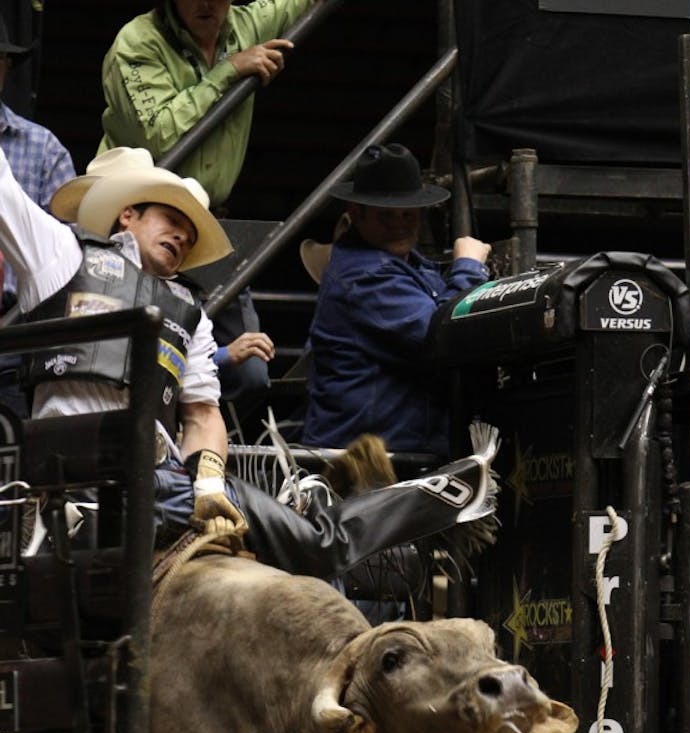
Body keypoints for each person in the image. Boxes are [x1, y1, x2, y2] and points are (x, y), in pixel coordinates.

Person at [0, 144, 499, 579]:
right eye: (171, 219)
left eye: (190, 234)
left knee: (317, 546)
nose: (181, 236)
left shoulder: (187, 313)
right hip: (76, 475)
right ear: (128, 213)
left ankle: (430, 499)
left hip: (163, 484)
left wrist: (210, 484)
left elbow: (203, 414)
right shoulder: (61, 257)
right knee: (304, 541)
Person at [97, 0, 313, 440]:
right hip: (135, 220)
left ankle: (185, 446)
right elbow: (159, 133)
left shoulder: (246, 25)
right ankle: (151, 445)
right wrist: (231, 71)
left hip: (204, 222)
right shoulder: (137, 42)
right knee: (118, 356)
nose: (206, 3)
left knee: (251, 373)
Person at [301, 143, 492, 460]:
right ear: (355, 214)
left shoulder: (415, 268)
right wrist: (469, 268)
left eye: (407, 213)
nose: (399, 223)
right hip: (366, 465)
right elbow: (439, 336)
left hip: (398, 456)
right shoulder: (365, 274)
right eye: (385, 215)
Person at [0, 14, 75, 414]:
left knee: (8, 456)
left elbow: (70, 254)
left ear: (5, 68)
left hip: (14, 327)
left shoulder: (43, 149)